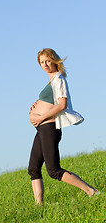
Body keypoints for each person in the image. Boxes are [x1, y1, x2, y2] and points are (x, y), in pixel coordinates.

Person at [28, 48, 99, 205]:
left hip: (49, 127)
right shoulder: (50, 81)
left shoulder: (59, 78)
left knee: (53, 170)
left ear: (54, 60)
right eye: (41, 62)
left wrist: (41, 117)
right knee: (33, 168)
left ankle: (91, 191)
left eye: (47, 61)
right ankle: (38, 206)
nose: (45, 64)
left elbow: (62, 105)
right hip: (41, 128)